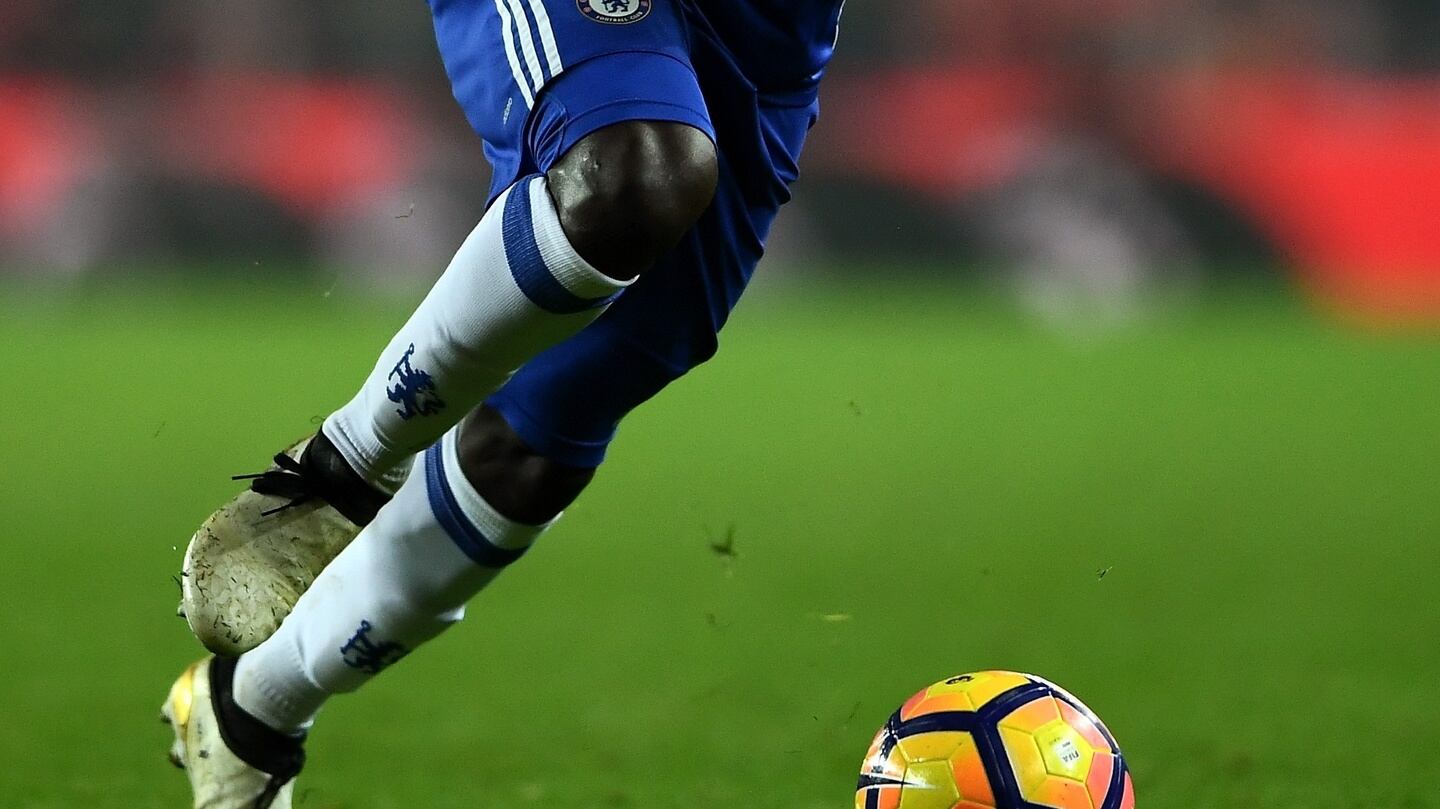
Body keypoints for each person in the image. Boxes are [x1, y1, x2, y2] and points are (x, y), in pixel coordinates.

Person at [161, 0, 845, 806]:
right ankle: (339, 472)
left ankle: (251, 714)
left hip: (768, 29)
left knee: (537, 444)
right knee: (632, 170)